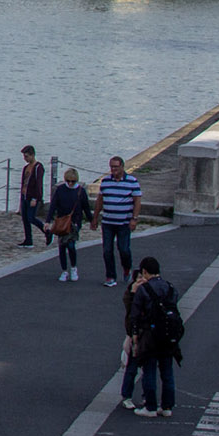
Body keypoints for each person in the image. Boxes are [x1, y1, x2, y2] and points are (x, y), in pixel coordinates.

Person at [128, 256, 182, 417]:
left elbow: (135, 315)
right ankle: (167, 406)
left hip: (150, 336)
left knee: (149, 370)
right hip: (168, 335)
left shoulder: (143, 289)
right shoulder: (170, 288)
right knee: (167, 372)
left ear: (144, 271)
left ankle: (150, 406)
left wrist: (135, 336)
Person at [95, 156, 142, 287]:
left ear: (122, 167)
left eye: (116, 167)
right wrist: (95, 217)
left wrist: (134, 218)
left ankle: (127, 268)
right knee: (107, 250)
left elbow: (137, 201)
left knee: (124, 249)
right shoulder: (105, 182)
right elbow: (100, 200)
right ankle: (110, 276)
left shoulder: (132, 182)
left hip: (124, 222)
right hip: (108, 222)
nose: (113, 170)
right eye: (111, 167)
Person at [116, 260, 153, 410]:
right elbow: (130, 314)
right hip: (134, 335)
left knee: (147, 369)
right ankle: (127, 395)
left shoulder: (150, 293)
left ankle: (145, 396)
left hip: (146, 335)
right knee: (131, 368)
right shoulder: (131, 295)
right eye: (138, 279)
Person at [48, 168, 93, 281]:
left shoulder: (80, 191)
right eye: (68, 181)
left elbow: (86, 208)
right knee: (62, 246)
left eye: (72, 181)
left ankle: (73, 268)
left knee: (71, 245)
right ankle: (64, 270)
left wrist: (92, 220)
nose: (70, 183)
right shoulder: (60, 190)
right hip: (62, 221)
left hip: (74, 222)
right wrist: (48, 221)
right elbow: (53, 206)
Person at [17, 146, 48, 247]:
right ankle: (28, 240)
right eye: (24, 156)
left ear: (32, 155)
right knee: (25, 219)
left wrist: (36, 198)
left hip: (32, 197)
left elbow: (38, 184)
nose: (25, 159)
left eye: (26, 156)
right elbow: (23, 183)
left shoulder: (38, 167)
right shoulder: (25, 168)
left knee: (31, 218)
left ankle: (46, 231)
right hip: (24, 195)